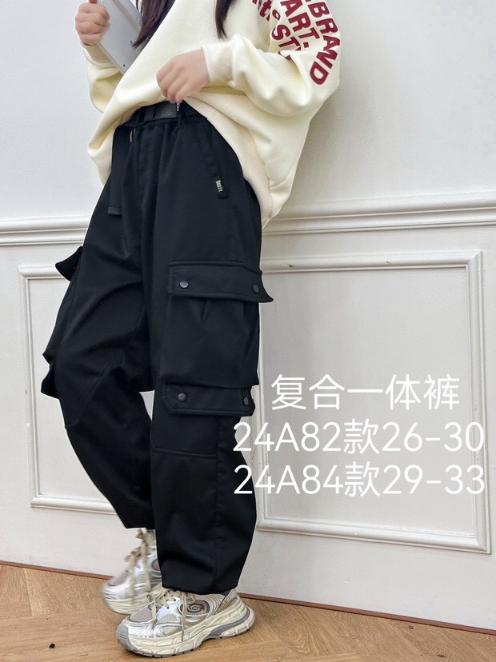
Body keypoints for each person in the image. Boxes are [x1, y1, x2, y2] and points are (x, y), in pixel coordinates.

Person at [40, 0, 341, 656]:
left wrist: (220, 61)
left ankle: (207, 588)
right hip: (132, 162)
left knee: (193, 384)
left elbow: (318, 62)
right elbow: (132, 87)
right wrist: (103, 51)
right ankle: (168, 537)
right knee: (82, 364)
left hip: (207, 163)